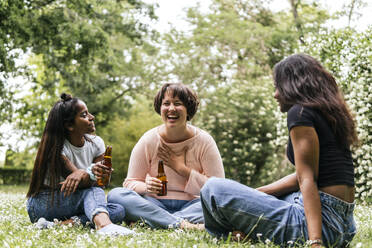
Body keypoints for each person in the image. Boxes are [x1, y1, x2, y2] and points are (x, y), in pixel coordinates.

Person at [200, 54, 358, 247]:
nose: (275, 94)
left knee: (212, 188)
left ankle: (232, 234)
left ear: (295, 85)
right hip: (345, 227)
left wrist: (315, 241)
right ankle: (245, 231)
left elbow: (307, 179)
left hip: (322, 228)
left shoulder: (299, 113)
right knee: (283, 196)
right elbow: (306, 174)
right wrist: (255, 194)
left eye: (278, 86)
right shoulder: (329, 113)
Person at [107, 83, 225, 229]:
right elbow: (130, 182)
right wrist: (146, 187)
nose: (171, 108)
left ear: (188, 109)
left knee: (220, 205)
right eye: (166, 103)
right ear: (160, 108)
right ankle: (183, 225)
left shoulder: (204, 141)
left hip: (193, 205)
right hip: (154, 203)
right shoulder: (149, 139)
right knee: (116, 195)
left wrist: (182, 169)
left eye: (178, 103)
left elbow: (219, 189)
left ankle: (156, 221)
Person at [26, 93, 135, 236]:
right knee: (94, 193)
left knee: (118, 210)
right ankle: (104, 226)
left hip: (74, 200)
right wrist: (88, 173)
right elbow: (82, 184)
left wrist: (99, 174)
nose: (92, 117)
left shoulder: (96, 143)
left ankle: (56, 226)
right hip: (44, 203)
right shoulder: (57, 149)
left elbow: (101, 183)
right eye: (84, 115)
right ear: (69, 125)